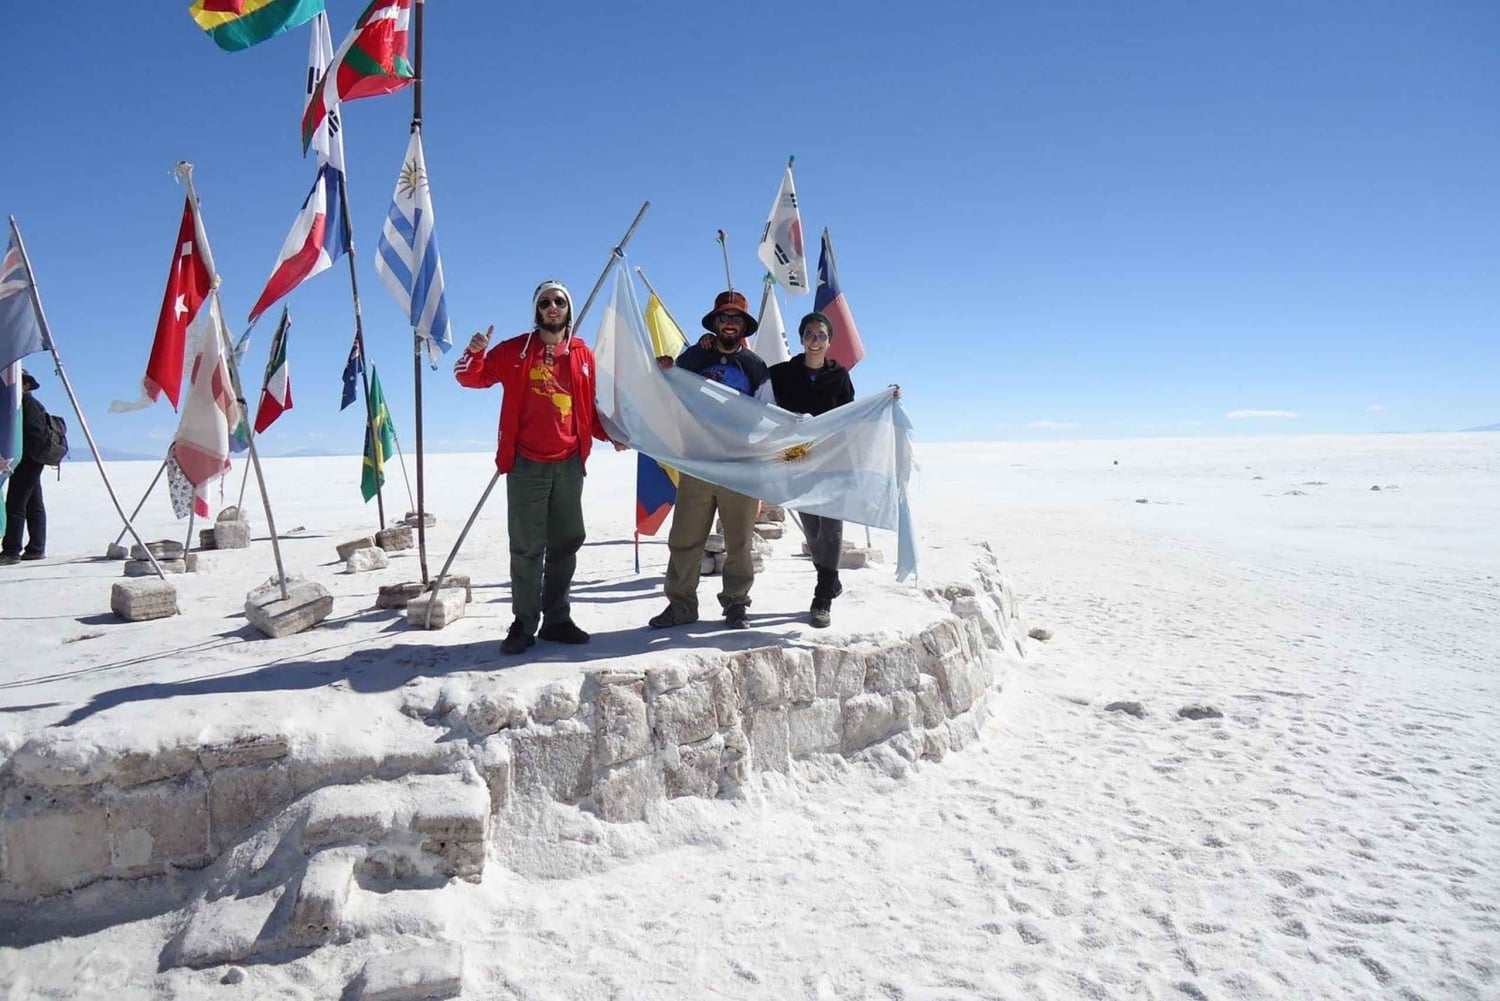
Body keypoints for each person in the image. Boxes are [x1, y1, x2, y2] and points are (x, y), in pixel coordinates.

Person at [454, 280, 620, 655]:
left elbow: (588, 410)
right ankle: (524, 623)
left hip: (569, 463)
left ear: (568, 309)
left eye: (559, 301)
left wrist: (612, 434)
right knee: (527, 547)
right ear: (536, 310)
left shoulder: (582, 354)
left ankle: (557, 619)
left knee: (566, 542)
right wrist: (475, 353)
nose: (552, 307)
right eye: (545, 302)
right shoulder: (515, 350)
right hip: (526, 463)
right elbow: (469, 377)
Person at [648, 290, 774, 630]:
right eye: (724, 317)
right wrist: (666, 368)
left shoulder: (755, 366)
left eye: (735, 318)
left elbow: (767, 414)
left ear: (744, 325)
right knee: (685, 538)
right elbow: (669, 384)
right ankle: (681, 605)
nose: (729, 324)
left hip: (739, 466)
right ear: (715, 322)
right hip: (699, 462)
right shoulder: (695, 358)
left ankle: (736, 604)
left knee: (739, 541)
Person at [769, 312, 856, 628]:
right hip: (797, 461)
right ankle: (830, 579)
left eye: (821, 335)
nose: (815, 341)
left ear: (829, 341)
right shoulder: (781, 374)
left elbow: (852, 413)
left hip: (832, 461)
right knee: (814, 533)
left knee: (831, 531)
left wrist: (890, 397)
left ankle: (822, 598)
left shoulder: (840, 376)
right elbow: (754, 396)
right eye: (809, 334)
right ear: (801, 339)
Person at [1, 371, 49, 565]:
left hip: (27, 461)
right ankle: (36, 548)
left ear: (26, 386)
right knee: (33, 504)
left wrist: (18, 453)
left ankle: (12, 550)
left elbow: (34, 434)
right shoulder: (25, 406)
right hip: (30, 461)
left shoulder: (27, 406)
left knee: (15, 503)